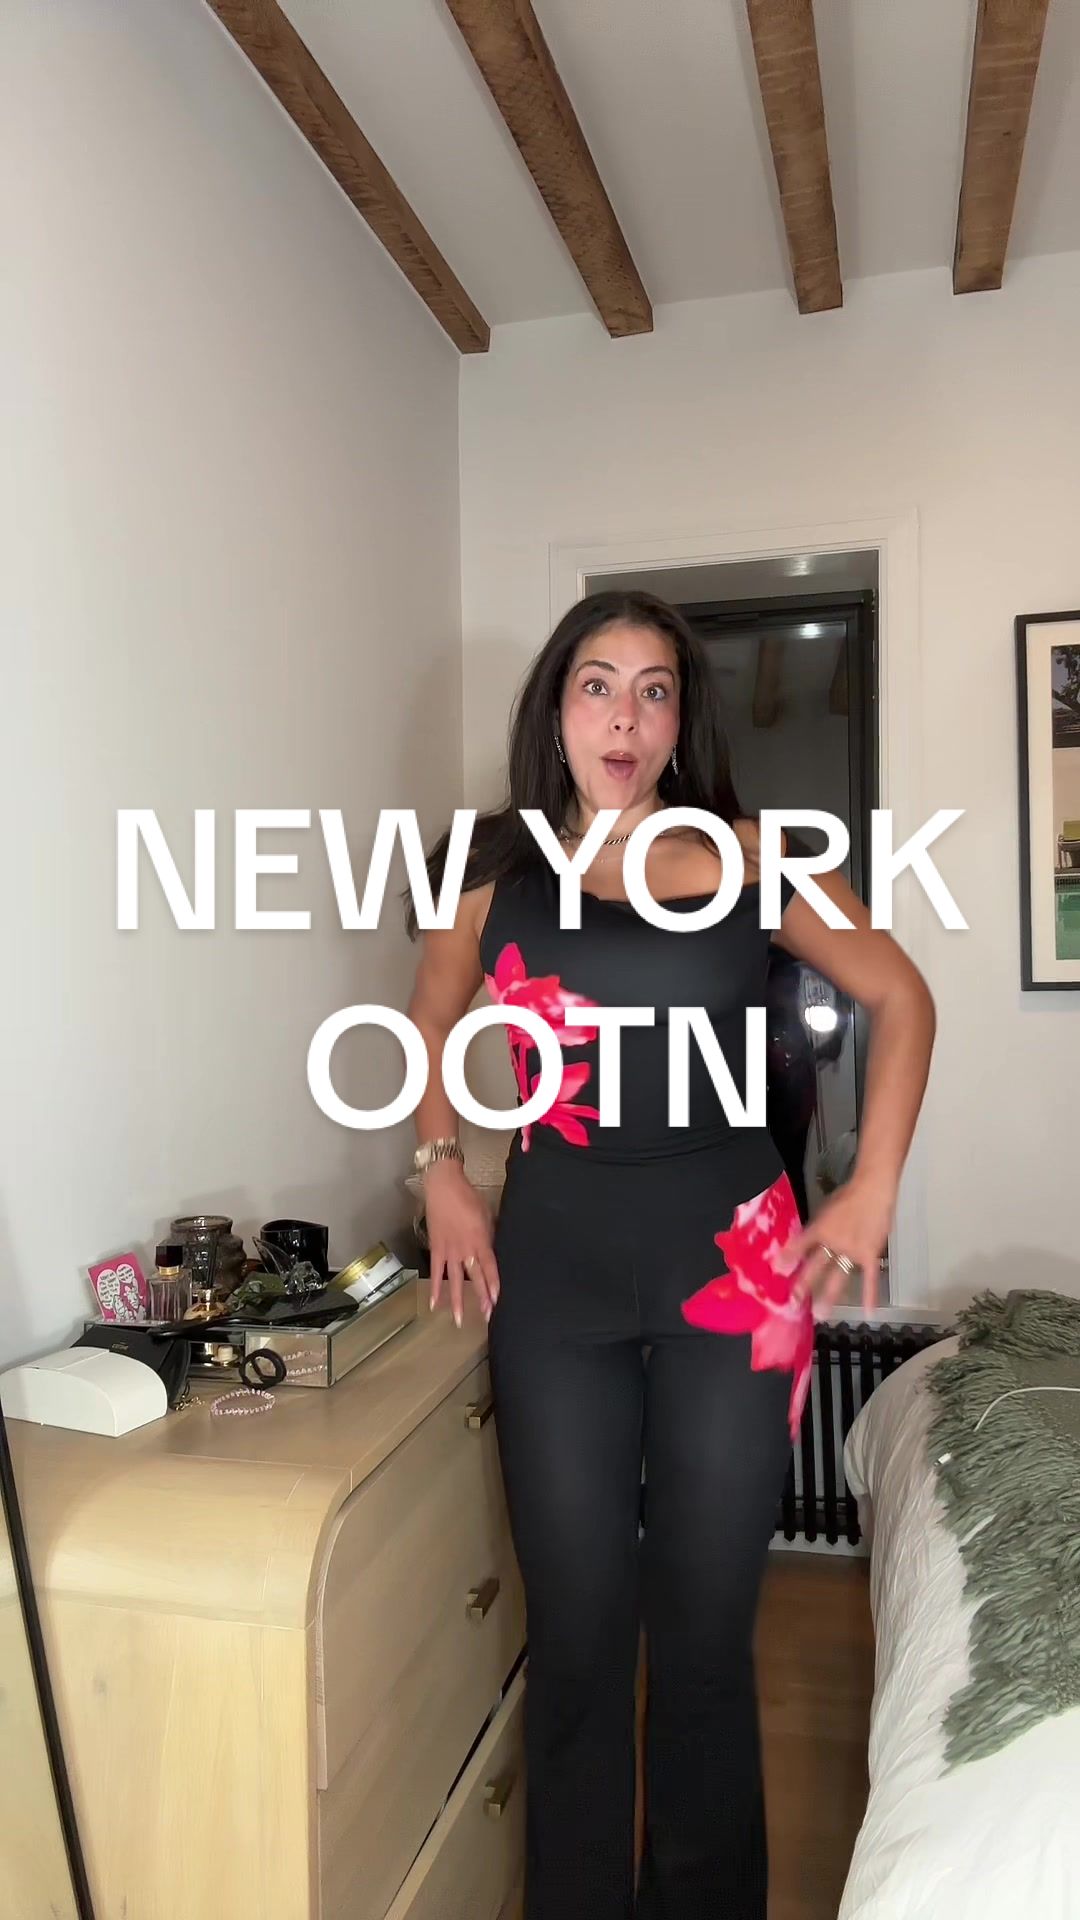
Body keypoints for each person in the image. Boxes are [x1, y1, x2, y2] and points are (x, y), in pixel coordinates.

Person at [403, 589, 935, 1920]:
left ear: (681, 720)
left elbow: (900, 993)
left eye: (654, 690)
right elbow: (428, 1021)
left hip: (737, 1279)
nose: (625, 717)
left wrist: (871, 1183)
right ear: (556, 709)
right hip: (556, 1278)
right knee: (580, 1635)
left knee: (702, 1636)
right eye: (598, 684)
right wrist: (441, 1169)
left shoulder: (754, 856)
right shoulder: (492, 867)